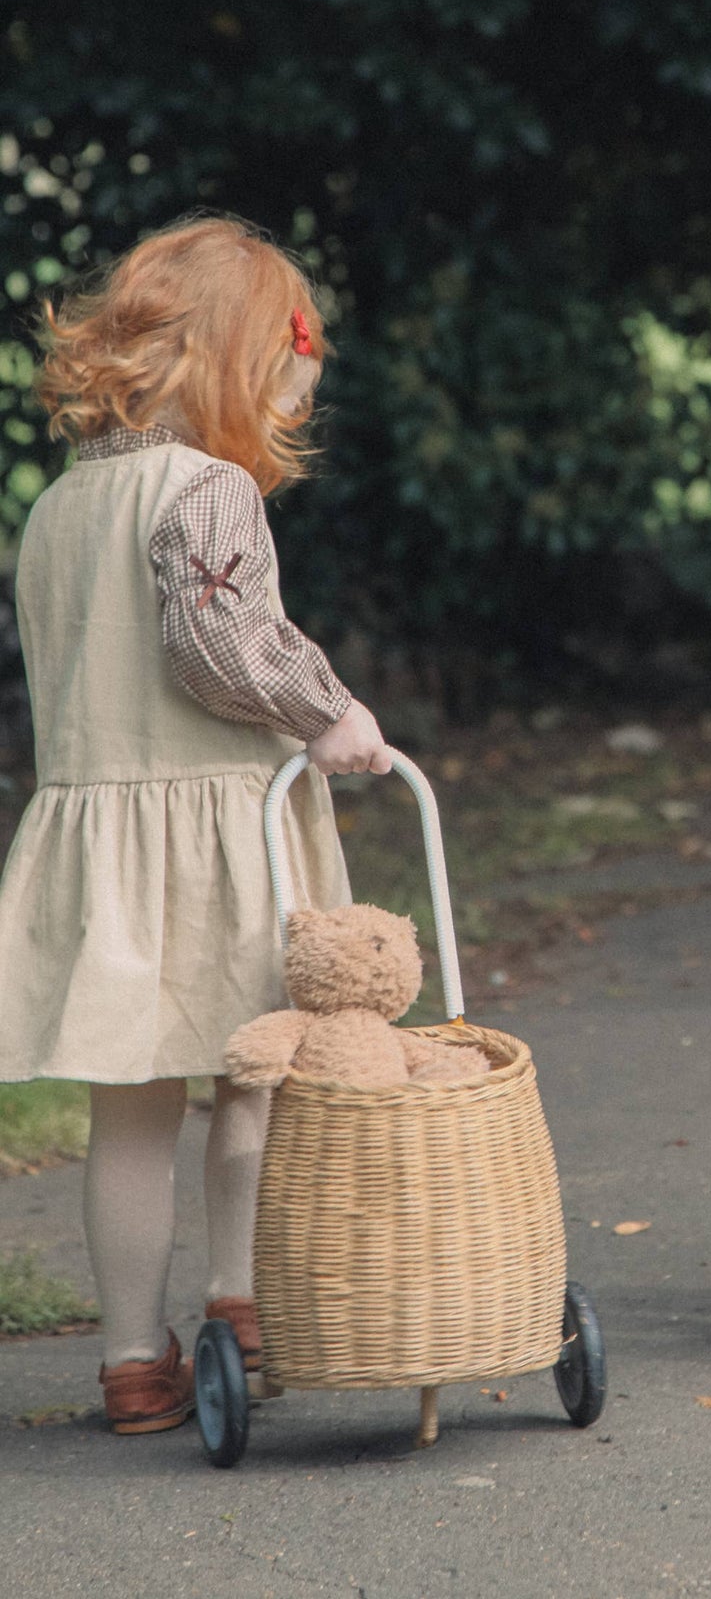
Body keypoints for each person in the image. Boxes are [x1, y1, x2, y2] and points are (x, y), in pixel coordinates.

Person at [0, 218, 391, 1433]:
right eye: (281, 383)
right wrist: (329, 711)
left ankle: (131, 1358)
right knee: (253, 1079)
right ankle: (242, 1303)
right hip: (221, 834)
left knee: (130, 1108)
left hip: (98, 841)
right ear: (231, 367)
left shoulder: (62, 505)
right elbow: (217, 640)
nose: (284, 413)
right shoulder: (206, 489)